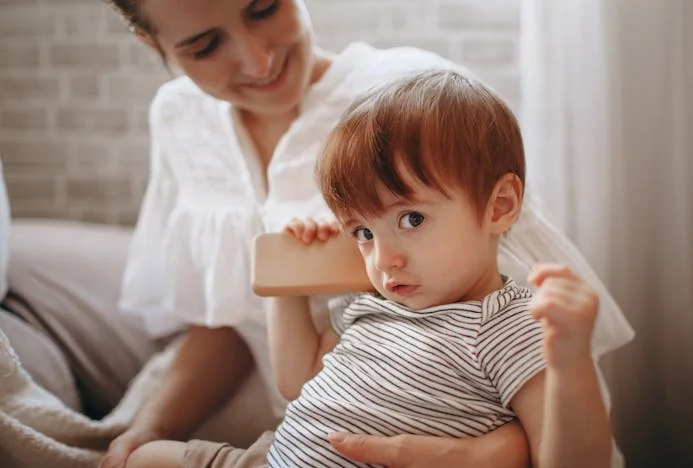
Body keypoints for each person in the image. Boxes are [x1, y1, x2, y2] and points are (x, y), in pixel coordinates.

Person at [99, 0, 634, 466]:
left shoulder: (416, 108)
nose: (258, 61)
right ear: (155, 46)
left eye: (264, 7)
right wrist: (290, 274)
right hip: (281, 440)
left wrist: (504, 437)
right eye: (204, 46)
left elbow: (561, 428)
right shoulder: (371, 308)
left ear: (499, 206)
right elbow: (286, 373)